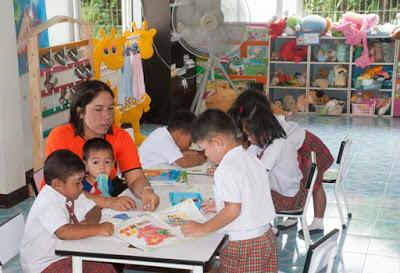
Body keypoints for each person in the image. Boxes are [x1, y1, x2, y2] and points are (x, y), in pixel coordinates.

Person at [181, 109, 277, 273]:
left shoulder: (225, 169)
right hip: (266, 238)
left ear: (217, 142)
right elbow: (249, 195)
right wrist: (220, 206)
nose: (206, 155)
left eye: (204, 149)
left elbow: (233, 209)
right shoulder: (249, 157)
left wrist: (202, 228)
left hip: (244, 245)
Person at [228, 89, 334, 234]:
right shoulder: (264, 123)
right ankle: (292, 217)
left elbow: (262, 166)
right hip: (293, 154)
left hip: (307, 146)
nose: (248, 137)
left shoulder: (272, 134)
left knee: (315, 183)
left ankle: (318, 222)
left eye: (249, 133)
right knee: (294, 179)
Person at [45, 80, 159, 211]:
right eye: (98, 109)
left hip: (101, 207)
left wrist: (146, 190)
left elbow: (136, 177)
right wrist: (108, 202)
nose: (107, 116)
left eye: (111, 108)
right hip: (64, 209)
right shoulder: (60, 137)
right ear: (80, 112)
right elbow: (61, 191)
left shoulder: (120, 136)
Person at [20, 150, 116, 273]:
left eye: (82, 181)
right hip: (45, 264)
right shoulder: (48, 202)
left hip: (70, 253)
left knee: (105, 269)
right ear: (57, 184)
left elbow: (94, 209)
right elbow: (64, 232)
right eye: (77, 182)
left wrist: (89, 223)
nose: (82, 186)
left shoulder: (72, 192)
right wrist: (98, 229)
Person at [139, 110, 207, 169]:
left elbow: (182, 152)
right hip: (145, 173)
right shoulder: (163, 139)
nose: (190, 146)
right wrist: (202, 159)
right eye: (190, 142)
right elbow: (184, 162)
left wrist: (199, 153)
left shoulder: (164, 133)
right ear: (180, 134)